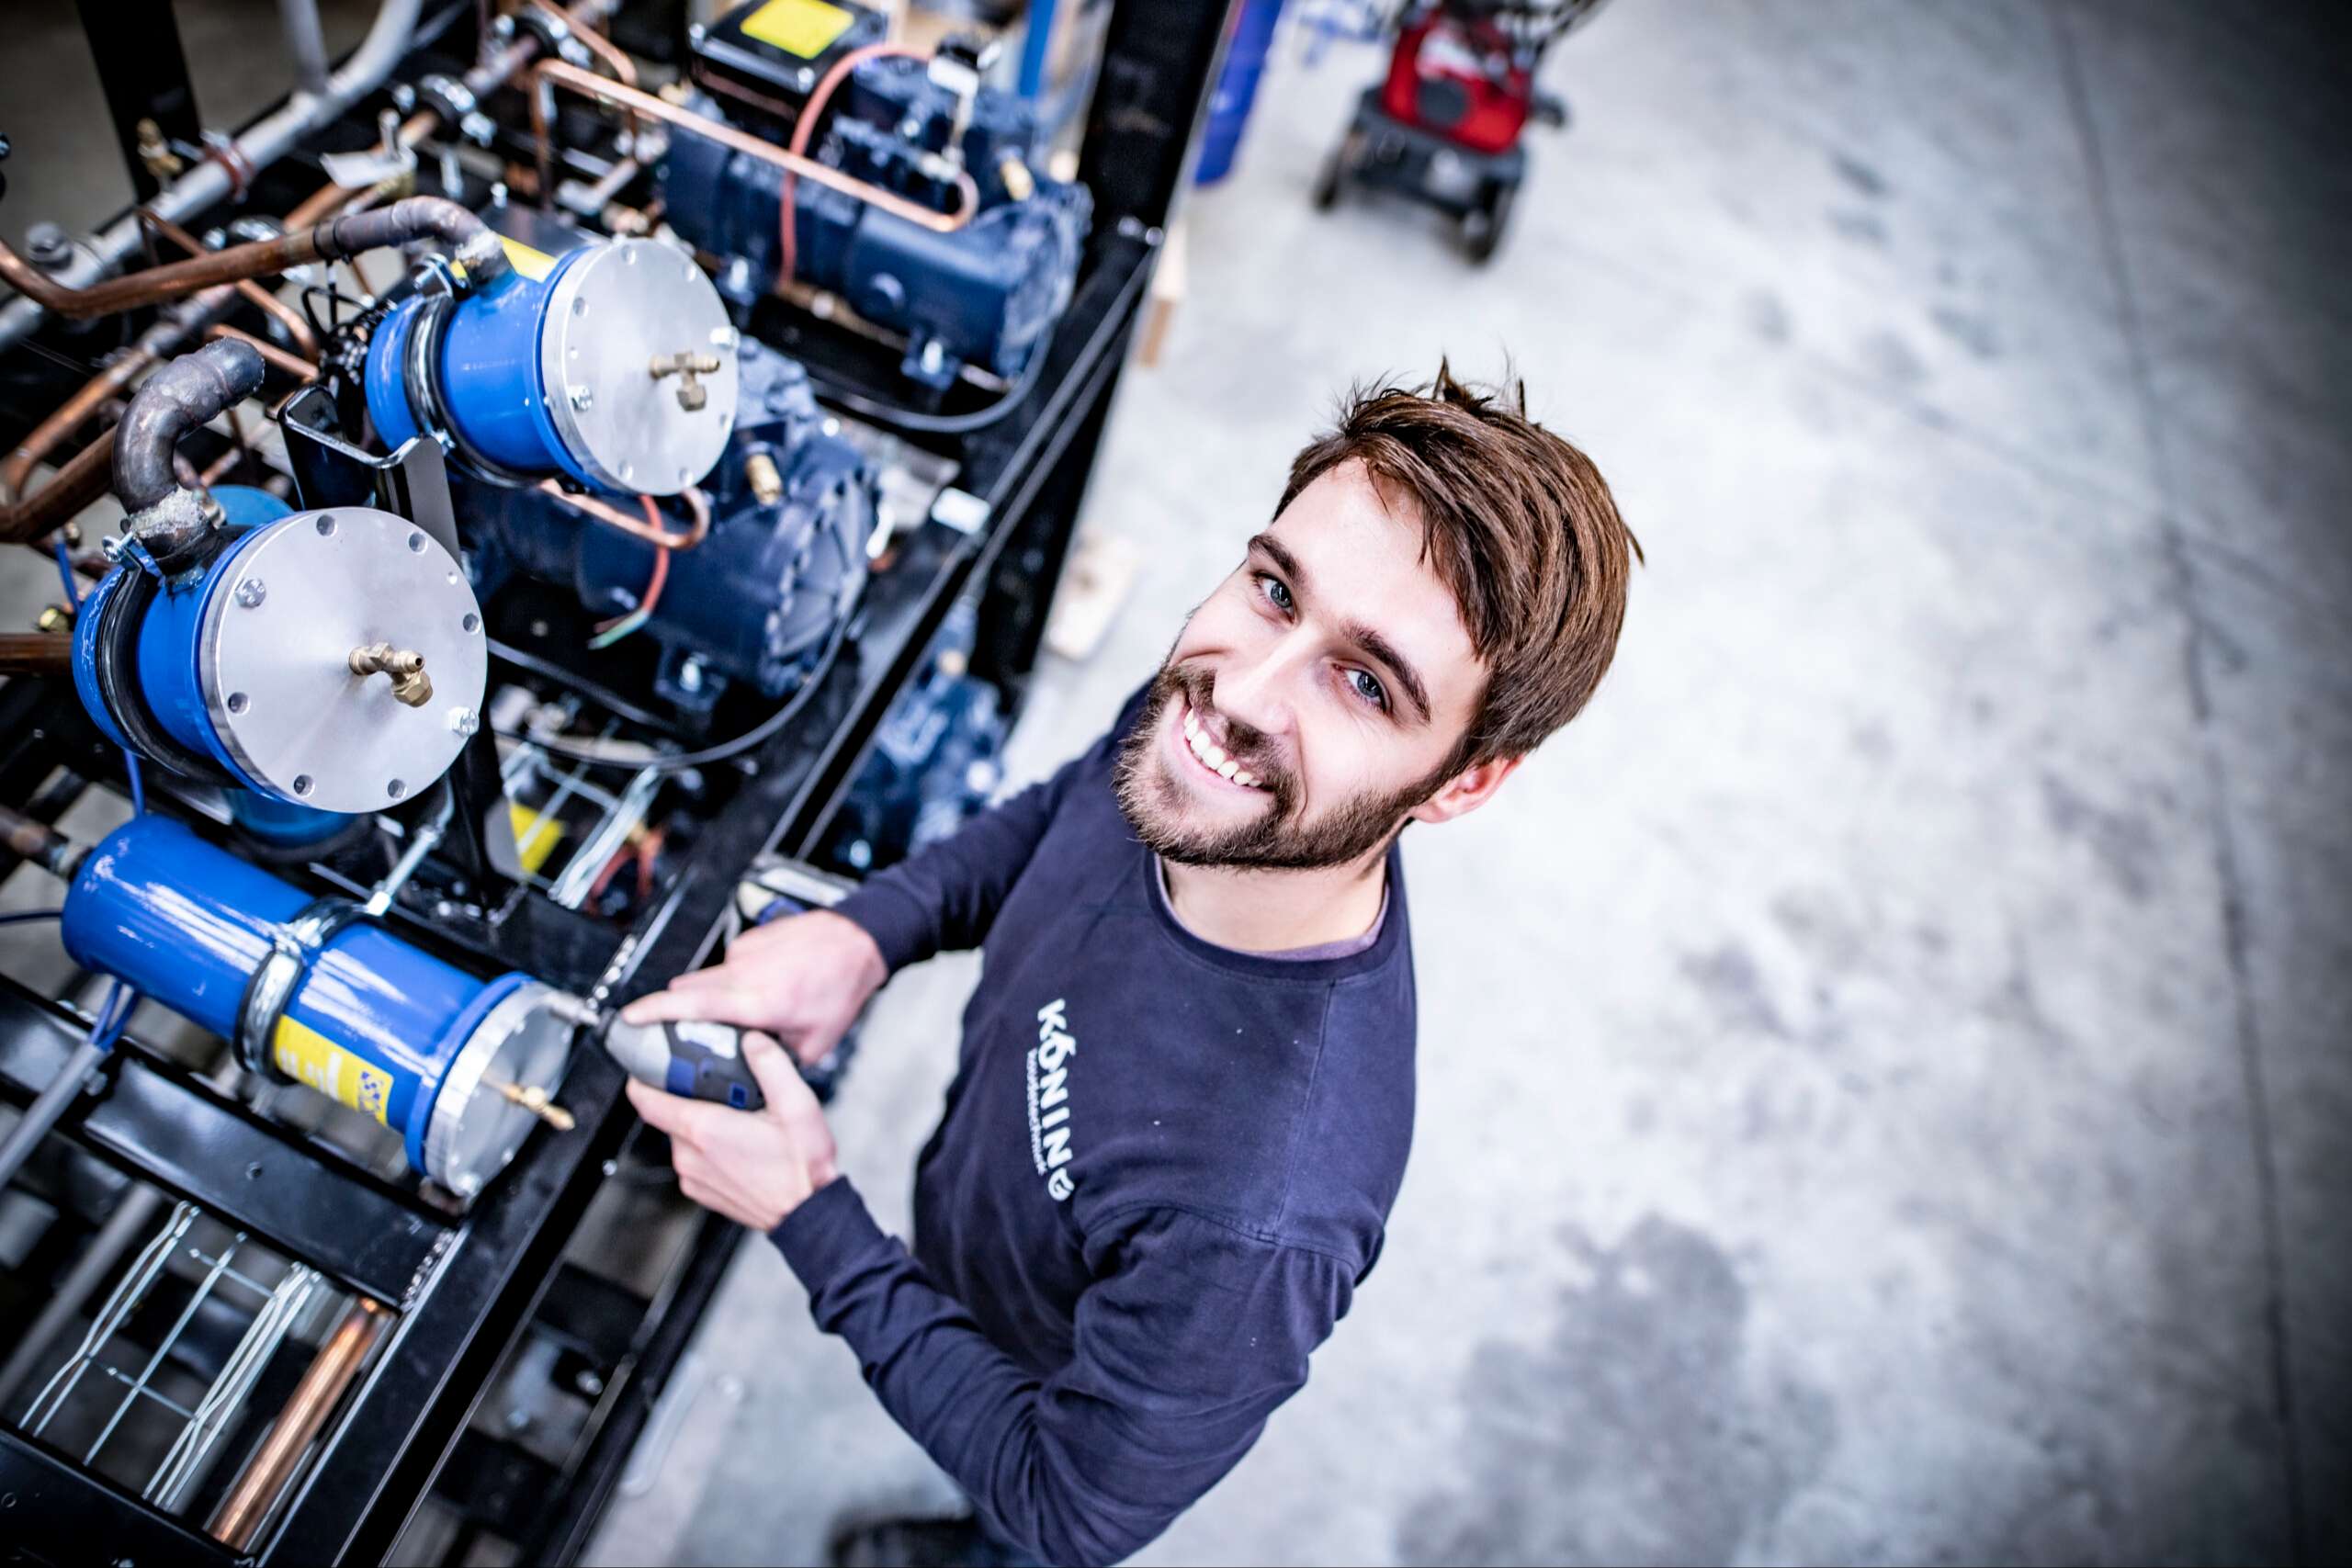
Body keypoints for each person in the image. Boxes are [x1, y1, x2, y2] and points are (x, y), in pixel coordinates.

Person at [621, 363, 1642, 1566]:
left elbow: (1074, 1506)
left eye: (1364, 681)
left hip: (1050, 1376)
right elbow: (1065, 809)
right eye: (1274, 589)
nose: (1242, 690)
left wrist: (811, 1216)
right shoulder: (1198, 741)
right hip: (986, 1254)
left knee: (1008, 1525)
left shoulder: (1263, 1212)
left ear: (1465, 780)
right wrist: (870, 933)